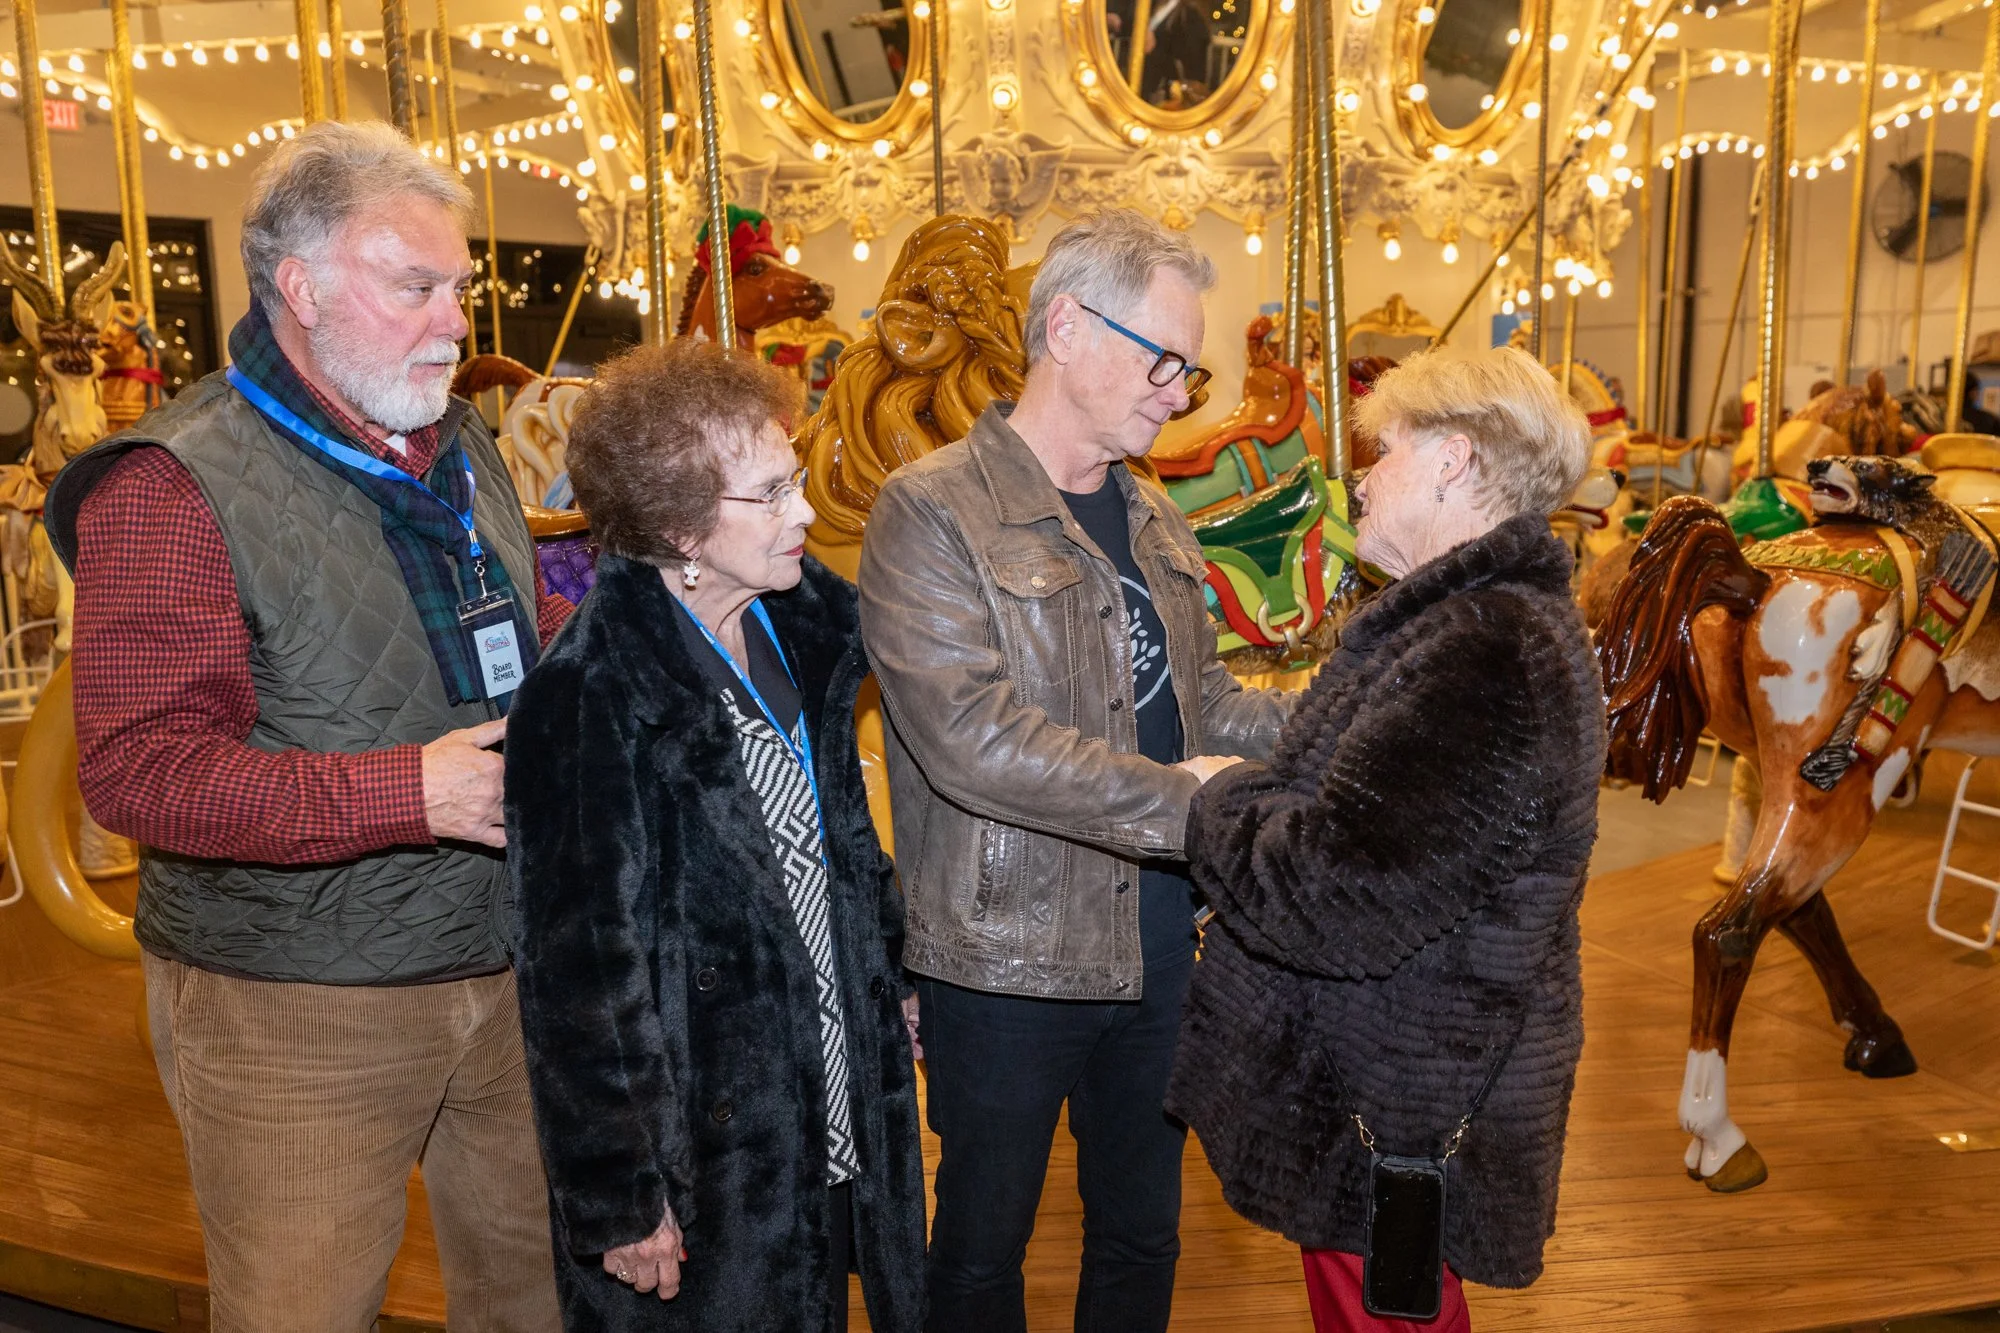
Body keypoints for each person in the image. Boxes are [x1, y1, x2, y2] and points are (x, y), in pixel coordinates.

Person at [46, 120, 566, 1331]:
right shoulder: (171, 482)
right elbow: (134, 773)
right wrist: (409, 794)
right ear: (302, 288)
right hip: (292, 998)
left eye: (460, 289)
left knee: (540, 1298)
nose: (455, 323)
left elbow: (495, 620)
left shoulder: (454, 437)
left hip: (506, 960)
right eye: (417, 288)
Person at [858, 207, 1294, 1333]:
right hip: (1006, 952)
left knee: (1144, 1233)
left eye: (1186, 373)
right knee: (978, 1250)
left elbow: (1203, 709)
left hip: (1160, 939)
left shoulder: (1151, 511)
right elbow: (972, 738)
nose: (1175, 390)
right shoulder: (932, 508)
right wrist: (1184, 804)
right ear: (1067, 325)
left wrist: (1354, 716)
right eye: (1163, 361)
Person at [1166, 346, 1605, 1333]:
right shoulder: (1474, 621)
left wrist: (1213, 801)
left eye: (1385, 449)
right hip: (1392, 1081)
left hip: (1397, 1101)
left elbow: (1336, 893)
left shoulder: (1482, 646)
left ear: (1451, 460)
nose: (1358, 477)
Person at [505, 339, 926, 1333]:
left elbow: (847, 847)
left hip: (833, 1090)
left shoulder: (803, 628)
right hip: (704, 1140)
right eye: (771, 493)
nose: (807, 514)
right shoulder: (586, 693)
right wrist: (618, 1189)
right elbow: (575, 974)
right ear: (675, 525)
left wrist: (898, 973)